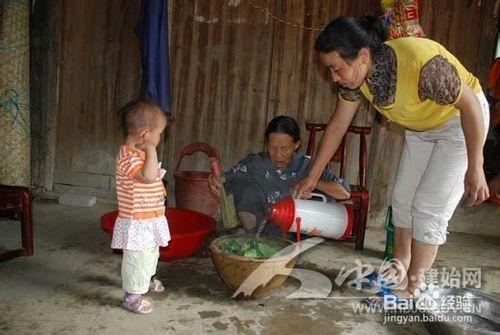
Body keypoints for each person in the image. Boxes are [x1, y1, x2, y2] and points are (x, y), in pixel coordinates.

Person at [293, 15, 490, 301]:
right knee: (402, 200)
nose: (334, 78)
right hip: (421, 125)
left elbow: (470, 104)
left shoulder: (423, 65)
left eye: (336, 69)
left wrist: (476, 165)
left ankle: (413, 289)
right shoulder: (356, 81)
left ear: (362, 56)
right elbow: (337, 126)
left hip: (461, 123)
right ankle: (398, 270)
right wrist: (312, 177)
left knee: (427, 208)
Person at [208, 115, 351, 236]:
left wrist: (313, 182)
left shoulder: (308, 166)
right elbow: (225, 179)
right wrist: (216, 181)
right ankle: (252, 240)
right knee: (245, 190)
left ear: (296, 145)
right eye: (272, 147)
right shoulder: (256, 163)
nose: (278, 154)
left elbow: (344, 192)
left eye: (285, 148)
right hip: (261, 231)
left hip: (297, 233)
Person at [111, 99, 171, 314]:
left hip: (149, 218)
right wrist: (152, 151)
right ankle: (132, 296)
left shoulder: (139, 154)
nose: (160, 138)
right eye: (159, 133)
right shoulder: (127, 156)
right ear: (145, 134)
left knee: (150, 253)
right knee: (137, 258)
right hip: (137, 220)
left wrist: (149, 152)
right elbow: (148, 176)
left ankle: (144, 280)